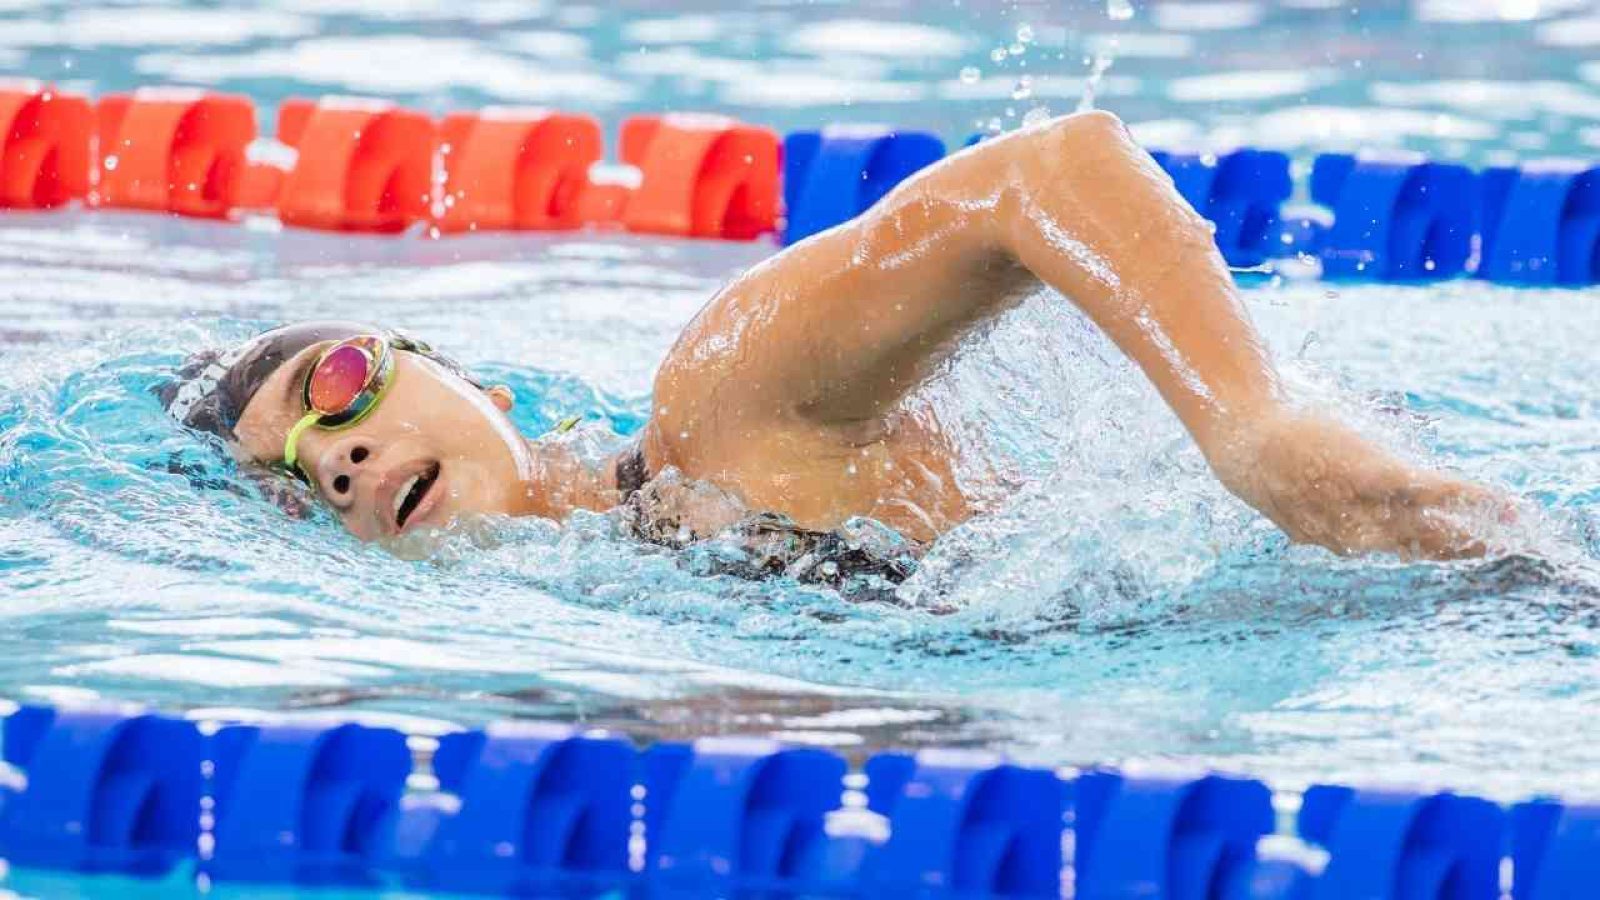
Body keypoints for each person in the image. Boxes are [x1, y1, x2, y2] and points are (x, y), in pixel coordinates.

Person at [161, 111, 1504, 585]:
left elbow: (1044, 170)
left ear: (475, 381)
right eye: (300, 476)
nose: (337, 458)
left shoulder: (722, 407)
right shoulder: (601, 602)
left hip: (1465, 592)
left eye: (337, 388)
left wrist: (1249, 427)